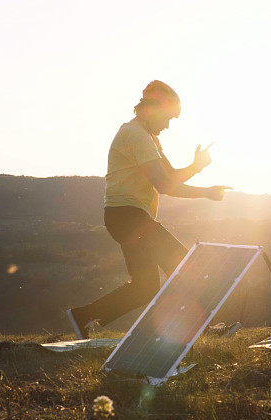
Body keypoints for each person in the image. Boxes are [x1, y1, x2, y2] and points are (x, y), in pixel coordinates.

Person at [66, 80, 231, 338]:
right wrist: (206, 193)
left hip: (126, 217)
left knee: (145, 288)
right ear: (153, 110)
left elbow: (171, 176)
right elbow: (165, 185)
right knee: (183, 265)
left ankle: (83, 316)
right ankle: (202, 330)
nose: (167, 126)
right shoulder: (137, 136)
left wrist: (197, 166)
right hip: (128, 217)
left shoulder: (148, 137)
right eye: (168, 118)